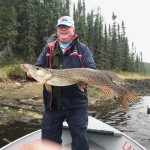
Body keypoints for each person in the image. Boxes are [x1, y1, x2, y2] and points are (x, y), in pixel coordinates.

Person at [28, 16, 96, 150]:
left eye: (67, 27)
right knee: (49, 142)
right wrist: (29, 74)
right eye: (60, 27)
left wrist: (83, 80)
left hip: (76, 105)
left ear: (73, 30)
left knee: (80, 140)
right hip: (52, 105)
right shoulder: (48, 50)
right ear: (57, 30)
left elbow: (91, 70)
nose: (63, 29)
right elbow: (38, 68)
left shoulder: (82, 49)